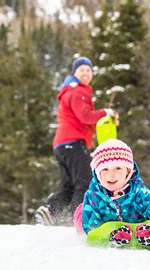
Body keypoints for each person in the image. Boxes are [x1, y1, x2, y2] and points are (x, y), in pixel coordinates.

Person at [35, 56, 117, 225]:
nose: (86, 73)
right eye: (82, 70)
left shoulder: (70, 91)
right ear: (75, 73)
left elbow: (82, 120)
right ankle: (77, 220)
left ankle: (49, 211)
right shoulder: (77, 92)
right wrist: (105, 113)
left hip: (62, 144)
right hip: (73, 142)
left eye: (89, 70)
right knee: (84, 181)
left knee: (69, 186)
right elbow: (85, 116)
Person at [73, 139, 150, 246]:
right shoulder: (93, 196)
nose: (111, 175)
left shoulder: (142, 194)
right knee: (81, 210)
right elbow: (91, 228)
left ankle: (142, 233)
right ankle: (118, 235)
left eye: (118, 168)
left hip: (136, 224)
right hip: (103, 225)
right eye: (105, 169)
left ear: (128, 171)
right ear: (97, 172)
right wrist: (105, 234)